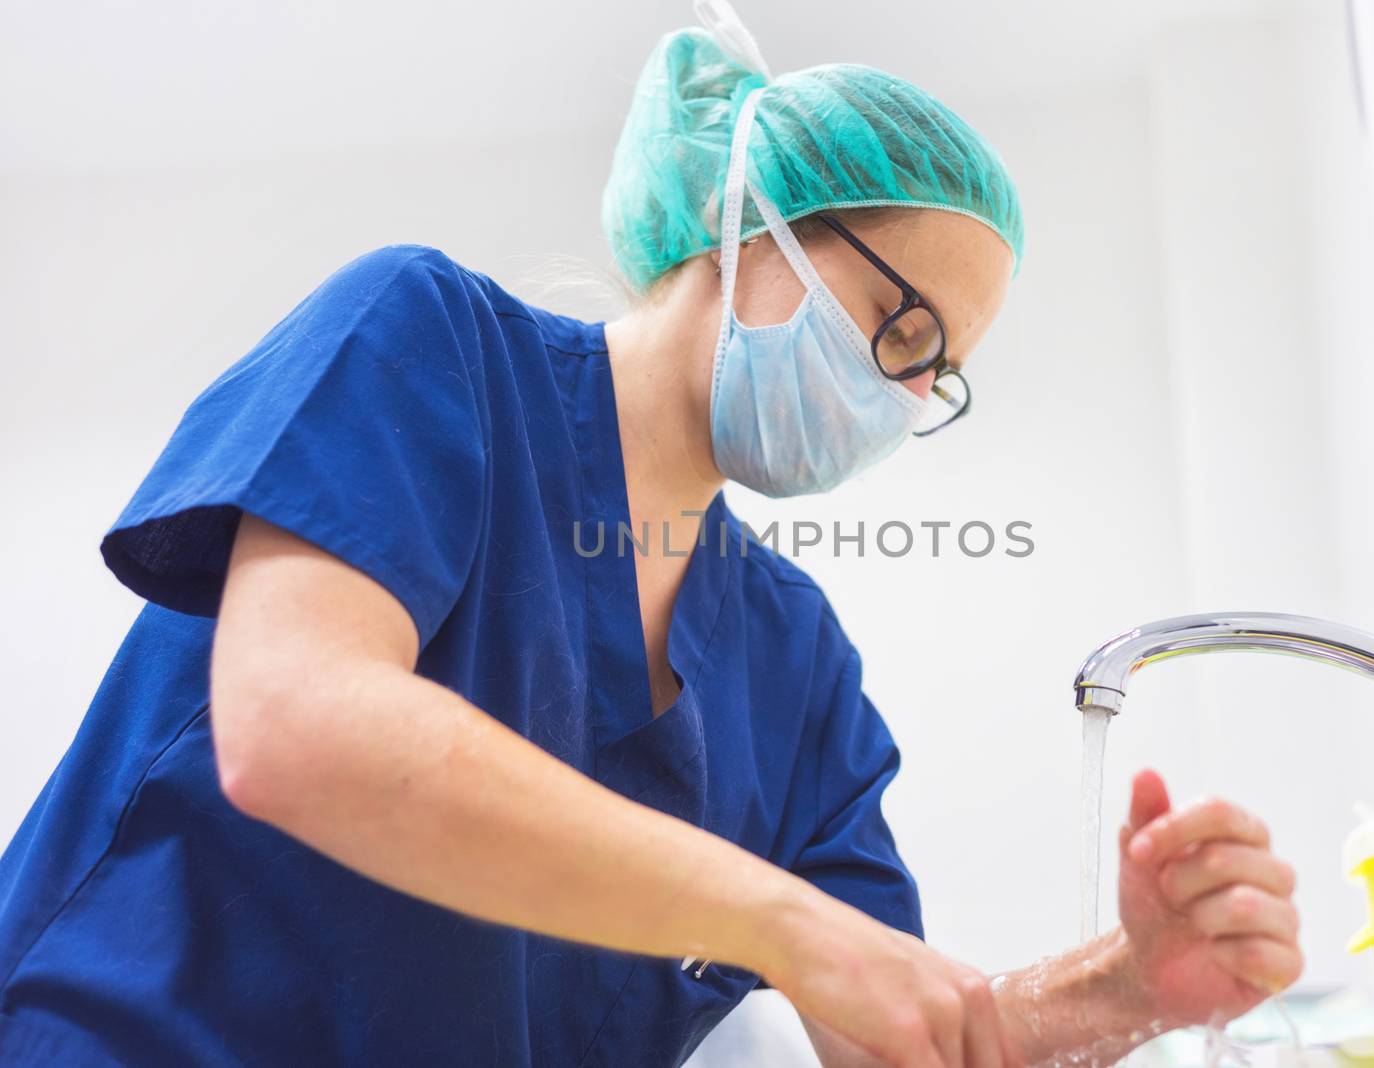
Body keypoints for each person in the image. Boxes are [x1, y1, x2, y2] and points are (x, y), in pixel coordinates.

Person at [0, 5, 1302, 1066]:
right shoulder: (427, 345)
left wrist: (1133, 988)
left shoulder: (791, 660)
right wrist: (781, 922)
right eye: (900, 329)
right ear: (752, 224)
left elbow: (890, 1024)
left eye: (937, 377)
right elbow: (299, 729)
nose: (903, 397)